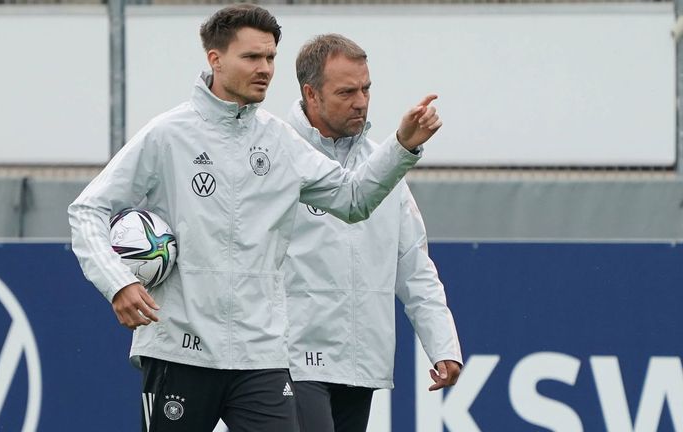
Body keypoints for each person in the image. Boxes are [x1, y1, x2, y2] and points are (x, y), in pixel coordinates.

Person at [68, 5, 442, 431]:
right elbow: (87, 210)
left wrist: (401, 147)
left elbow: (354, 198)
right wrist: (118, 282)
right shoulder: (167, 135)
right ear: (215, 59)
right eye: (251, 58)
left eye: (270, 58)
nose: (265, 68)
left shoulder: (280, 141)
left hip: (261, 356)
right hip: (181, 349)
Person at [282, 34, 463, 432]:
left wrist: (443, 345)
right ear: (311, 94)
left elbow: (414, 266)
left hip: (359, 362)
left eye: (366, 88)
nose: (361, 101)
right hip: (290, 358)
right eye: (346, 91)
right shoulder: (273, 154)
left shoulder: (384, 167)